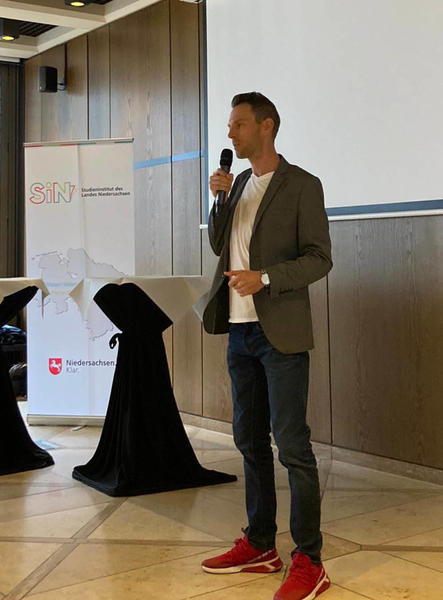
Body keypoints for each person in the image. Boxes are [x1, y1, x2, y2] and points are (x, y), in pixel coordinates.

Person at [201, 92, 333, 600]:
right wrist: (218, 200)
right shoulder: (236, 185)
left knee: (292, 447)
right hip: (239, 330)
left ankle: (309, 560)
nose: (229, 133)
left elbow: (319, 257)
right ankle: (260, 543)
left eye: (238, 124)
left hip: (280, 333)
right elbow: (219, 245)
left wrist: (267, 277)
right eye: (229, 125)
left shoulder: (302, 185)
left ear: (266, 126)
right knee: (249, 441)